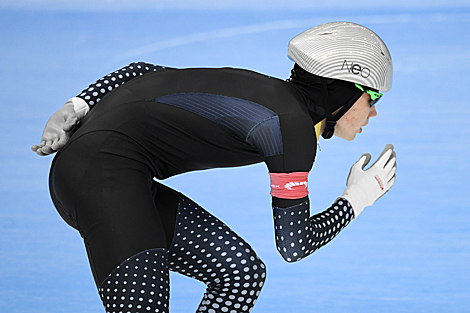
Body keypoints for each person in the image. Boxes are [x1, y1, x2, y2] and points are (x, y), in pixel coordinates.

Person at [32, 22, 396, 313]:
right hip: (100, 176)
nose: (374, 111)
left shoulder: (267, 93)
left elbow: (141, 72)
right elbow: (294, 245)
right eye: (372, 97)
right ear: (342, 91)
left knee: (240, 274)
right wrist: (356, 198)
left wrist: (77, 105)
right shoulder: (292, 130)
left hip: (116, 173)